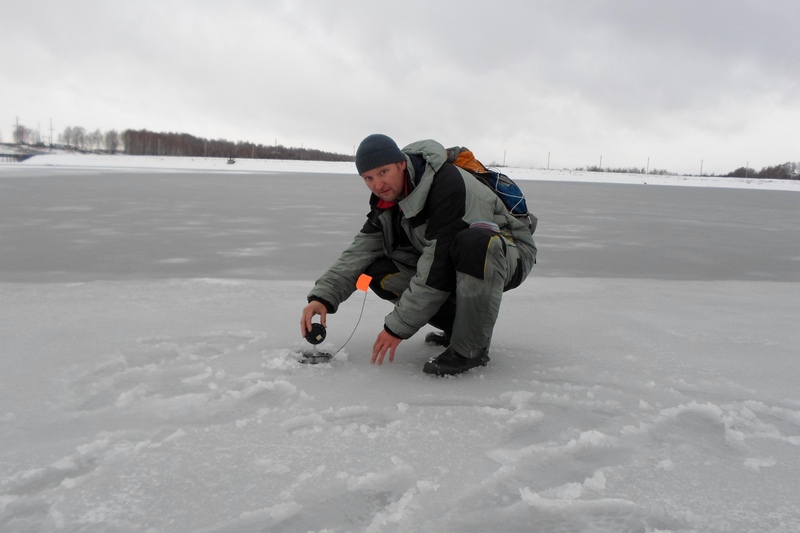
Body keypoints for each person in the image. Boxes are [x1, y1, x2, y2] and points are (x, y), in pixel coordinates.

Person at [300, 134, 536, 376]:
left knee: (473, 242)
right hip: (454, 262)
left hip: (507, 253)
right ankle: (457, 327)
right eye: (368, 178)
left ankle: (470, 349)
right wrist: (322, 297)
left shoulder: (447, 185)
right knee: (376, 269)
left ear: (401, 163)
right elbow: (360, 251)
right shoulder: (388, 201)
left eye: (383, 172)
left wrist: (396, 328)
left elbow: (438, 268)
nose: (377, 185)